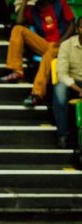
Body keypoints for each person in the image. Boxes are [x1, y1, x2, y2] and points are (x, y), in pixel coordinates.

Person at [1, 0, 76, 108]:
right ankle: (17, 70)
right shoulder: (34, 10)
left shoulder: (60, 3)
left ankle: (37, 93)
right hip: (46, 44)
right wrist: (24, 2)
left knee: (49, 54)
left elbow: (72, 25)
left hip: (63, 45)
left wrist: (61, 41)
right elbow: (19, 21)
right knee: (18, 29)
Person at [53, 16, 82, 148]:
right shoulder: (67, 45)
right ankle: (63, 136)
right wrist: (79, 89)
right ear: (77, 29)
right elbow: (62, 74)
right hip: (73, 84)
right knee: (60, 89)